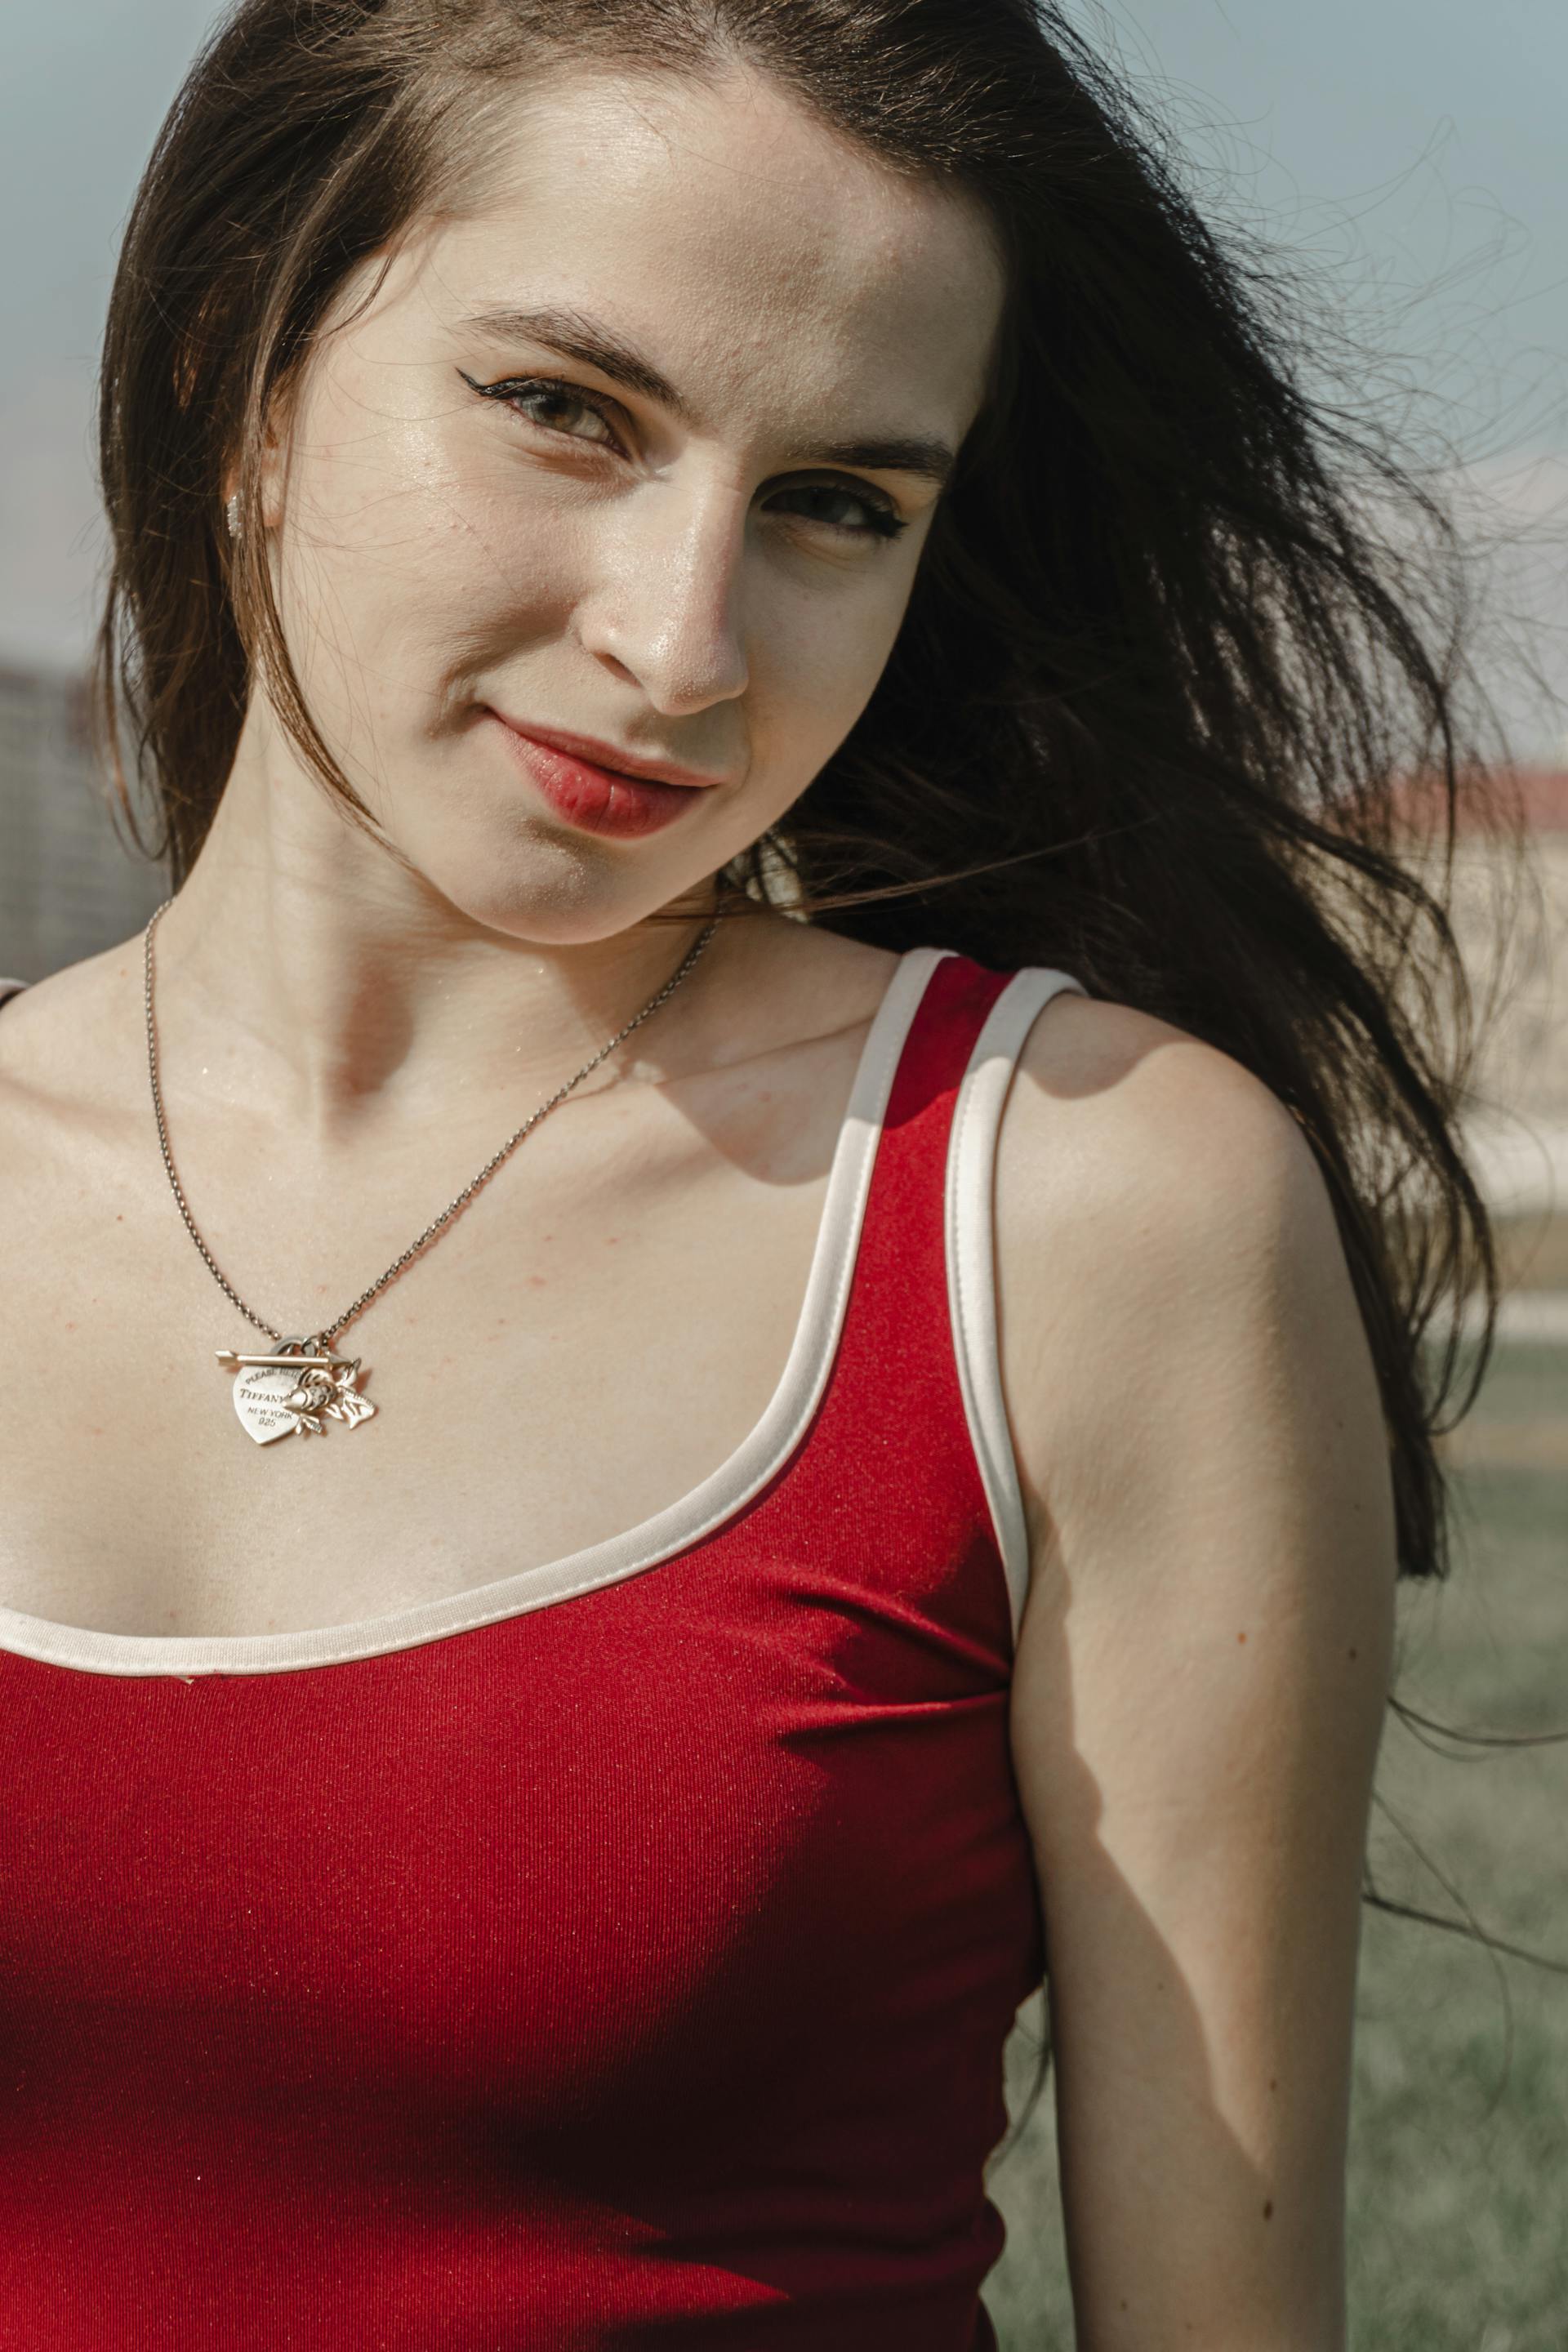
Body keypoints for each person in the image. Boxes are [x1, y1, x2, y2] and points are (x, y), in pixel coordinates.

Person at [0, 2, 1507, 2345]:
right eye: (568, 413)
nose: (682, 643)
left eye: (839, 503)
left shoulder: (1083, 1211)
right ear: (242, 375)